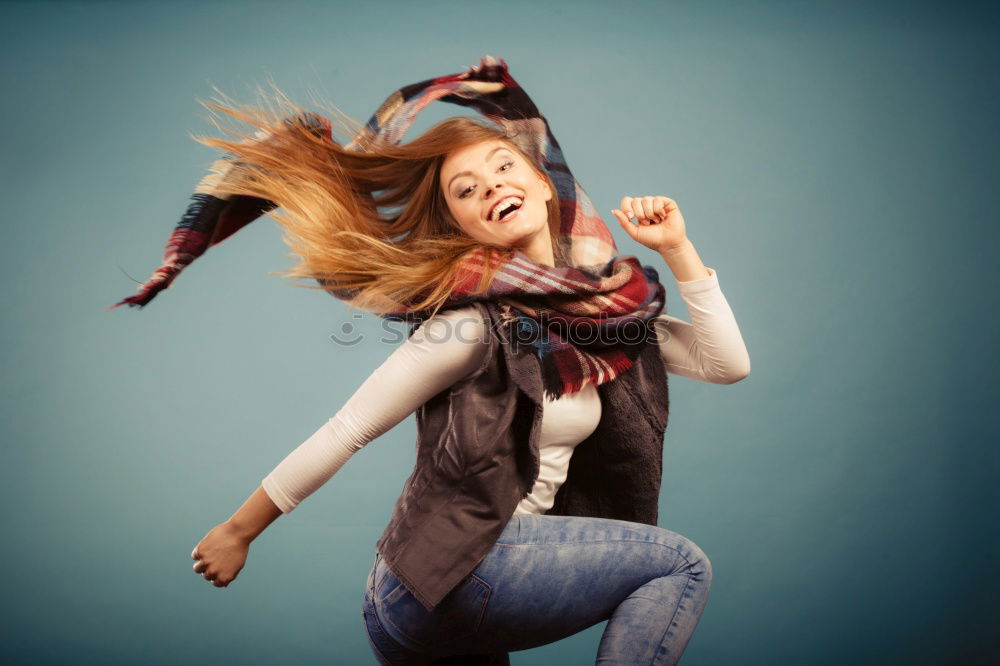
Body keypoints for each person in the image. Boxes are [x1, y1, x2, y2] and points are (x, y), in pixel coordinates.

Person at [114, 56, 750, 664]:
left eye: (505, 167)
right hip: (459, 570)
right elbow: (347, 429)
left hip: (437, 595)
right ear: (464, 227)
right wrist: (239, 530)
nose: (493, 187)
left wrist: (678, 247)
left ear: (542, 181)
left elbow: (725, 363)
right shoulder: (473, 326)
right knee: (681, 565)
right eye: (467, 190)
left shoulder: (611, 318)